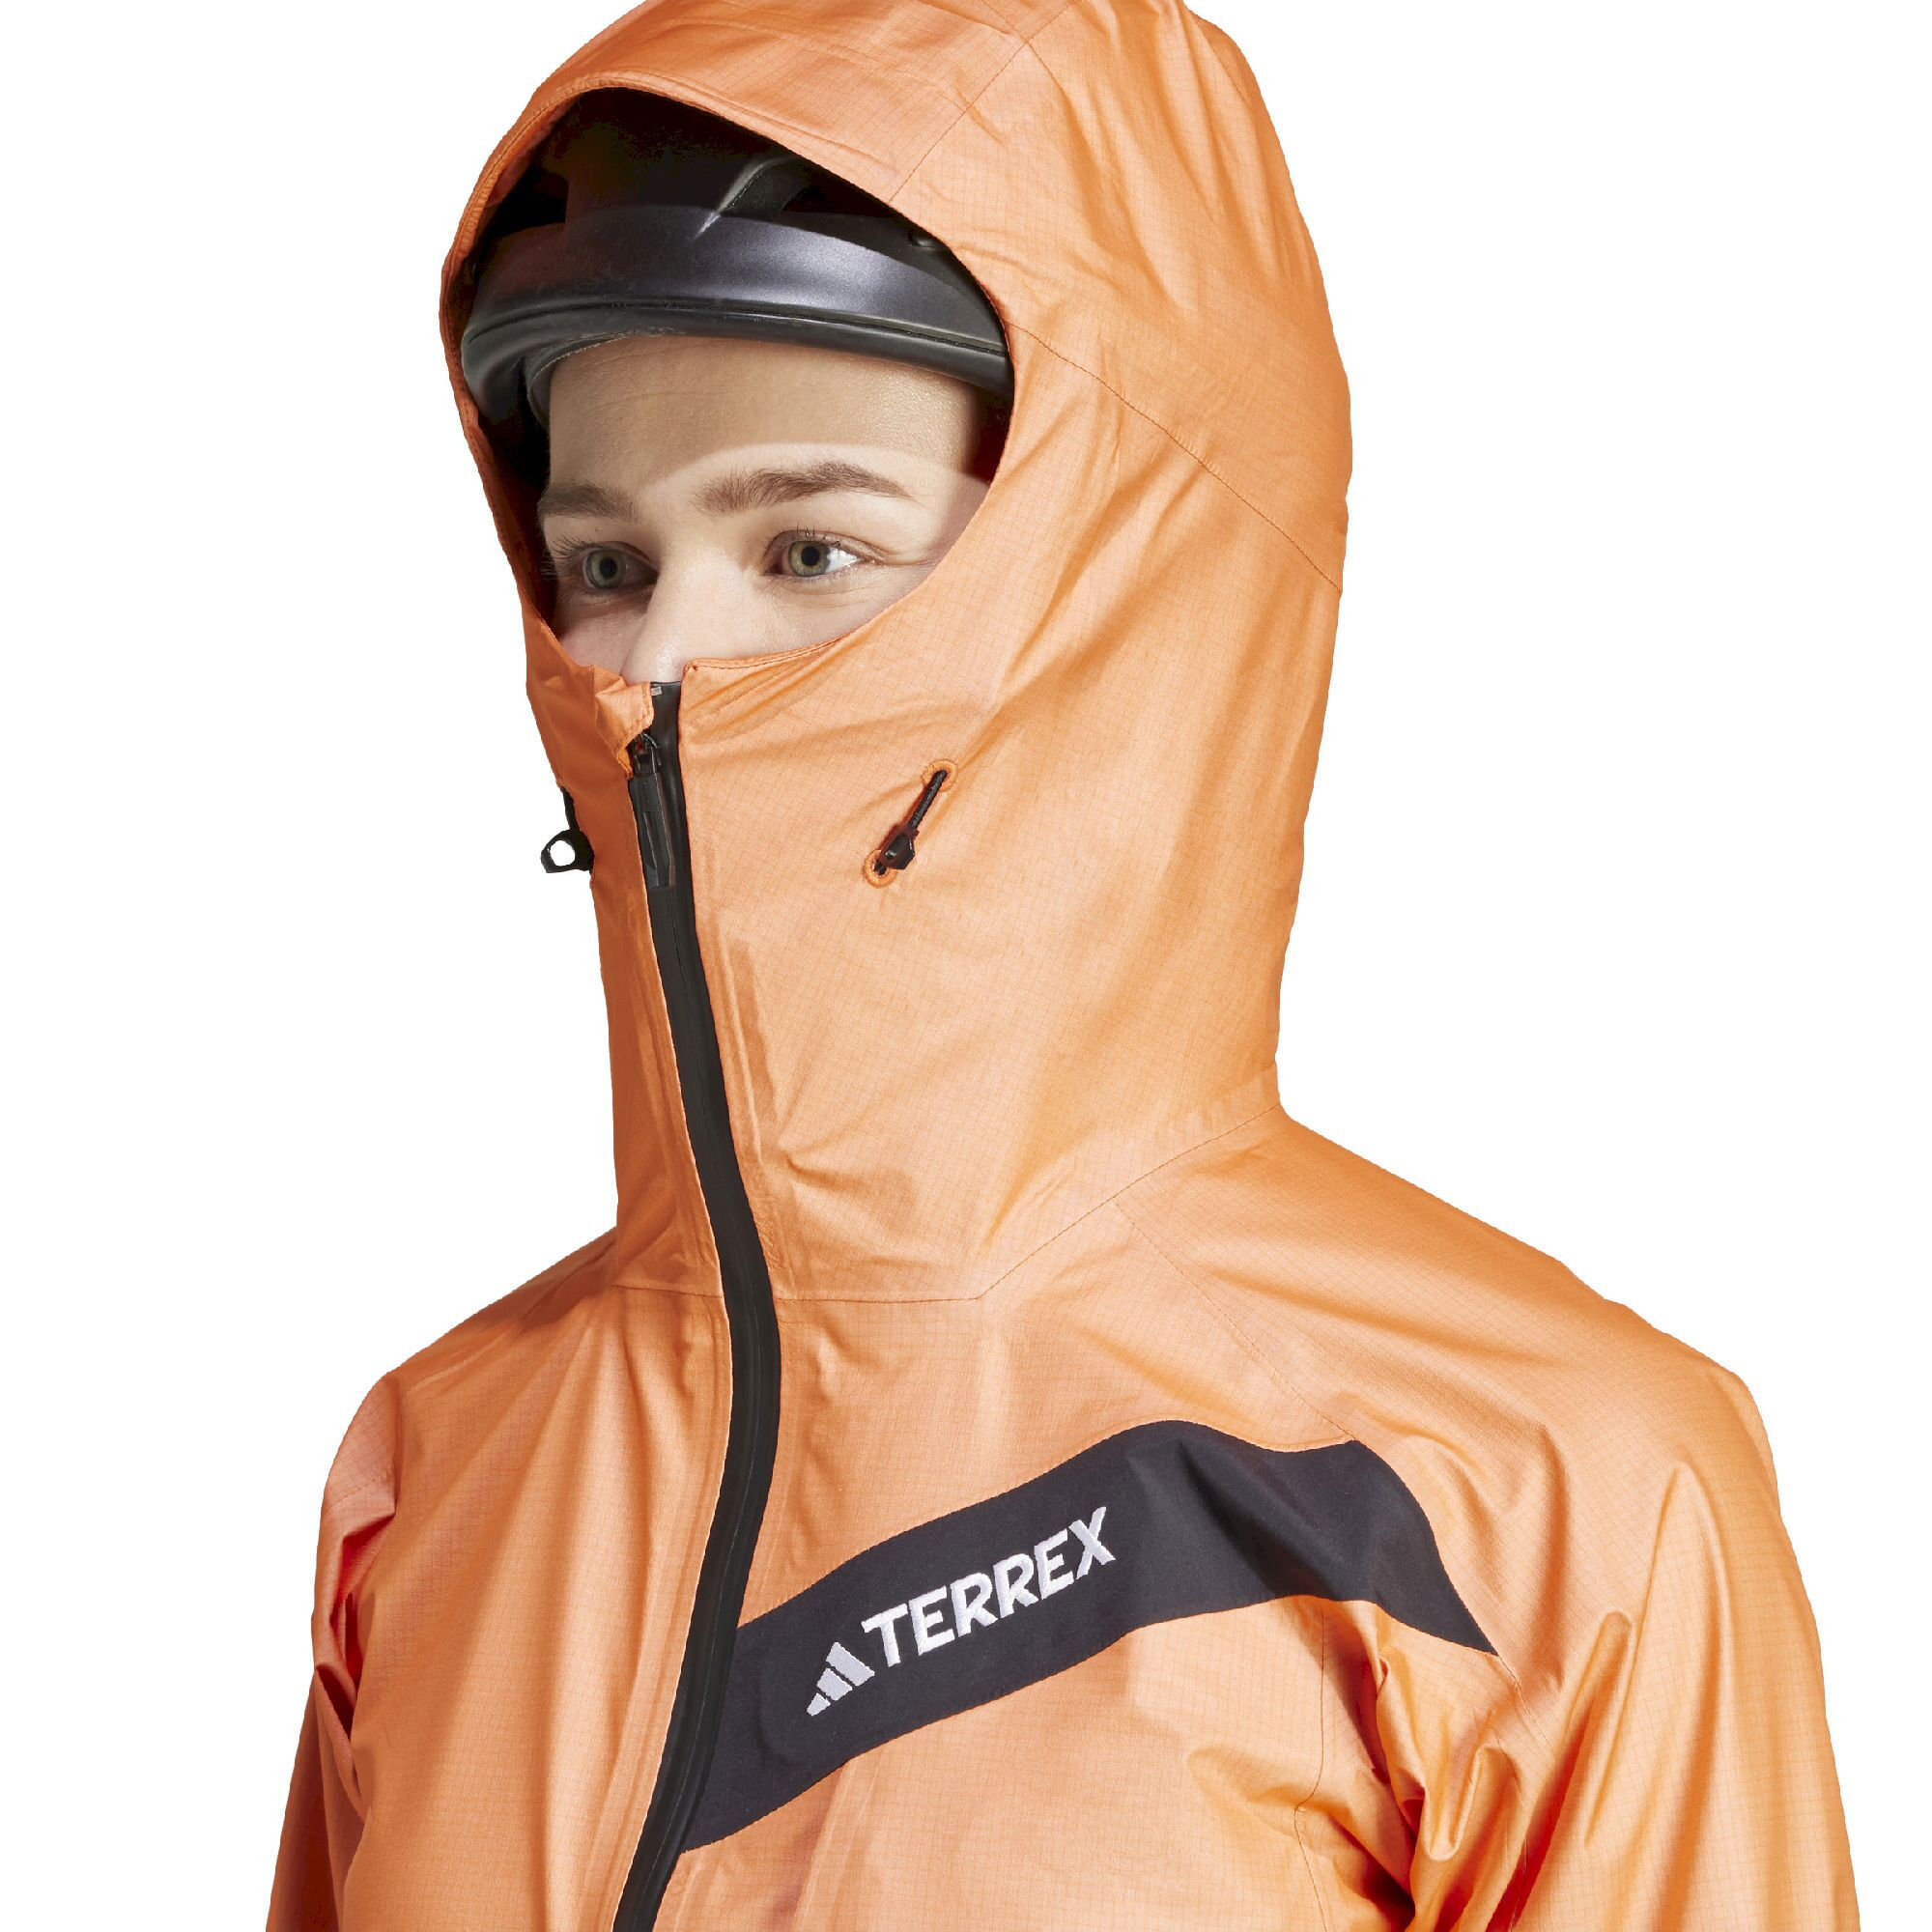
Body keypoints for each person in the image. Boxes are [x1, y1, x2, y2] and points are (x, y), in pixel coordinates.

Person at [269, 6, 1859, 1929]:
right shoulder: (440, 1467)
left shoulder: (1531, 1488)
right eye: (604, 564)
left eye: (808, 550)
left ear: (1129, 591)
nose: (660, 662)